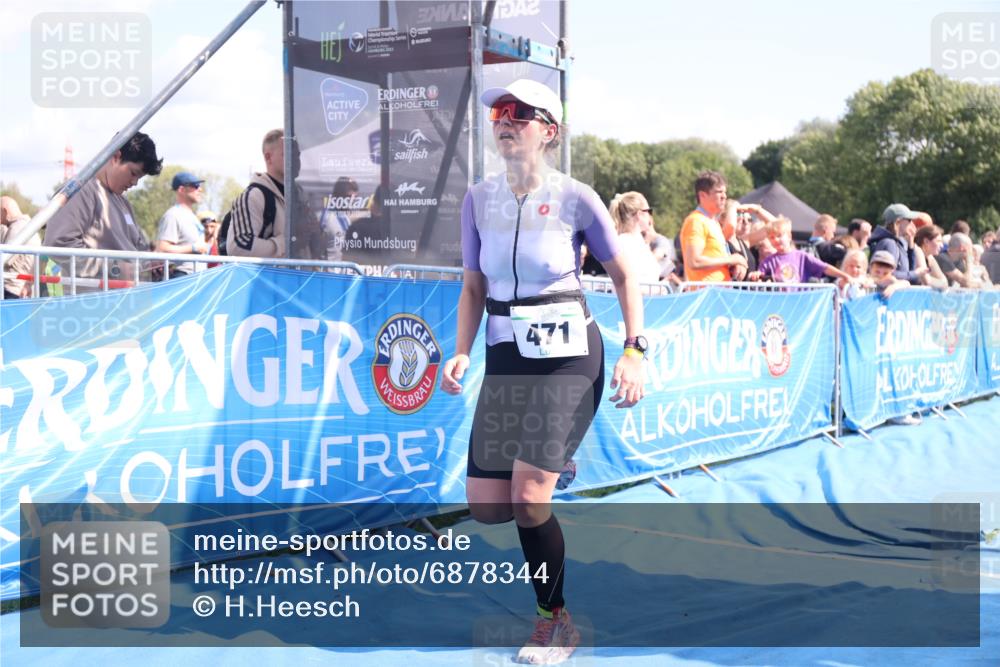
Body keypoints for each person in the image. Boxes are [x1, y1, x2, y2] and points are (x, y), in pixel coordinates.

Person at [440, 78, 645, 666]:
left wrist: (636, 349)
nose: (505, 121)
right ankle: (554, 459)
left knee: (529, 500)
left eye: (519, 113)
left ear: (548, 130)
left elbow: (625, 275)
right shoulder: (477, 200)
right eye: (498, 114)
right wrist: (462, 350)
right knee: (487, 505)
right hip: (507, 358)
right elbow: (473, 286)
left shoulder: (578, 197)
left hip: (568, 357)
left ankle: (555, 622)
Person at [45, 132, 163, 285]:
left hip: (128, 295)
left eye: (139, 178)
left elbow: (137, 248)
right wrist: (115, 268)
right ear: (116, 156)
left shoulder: (124, 203)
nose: (134, 183)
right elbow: (58, 244)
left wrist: (150, 263)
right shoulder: (79, 191)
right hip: (96, 298)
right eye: (133, 173)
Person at [225, 129, 286, 258]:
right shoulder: (254, 196)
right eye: (288, 154)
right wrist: (286, 243)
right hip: (269, 272)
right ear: (268, 157)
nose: (296, 159)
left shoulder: (301, 196)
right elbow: (238, 247)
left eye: (297, 154)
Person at [679, 171, 746, 282]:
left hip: (719, 289)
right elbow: (694, 261)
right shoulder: (695, 221)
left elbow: (716, 258)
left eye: (725, 192)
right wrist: (730, 259)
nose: (724, 196)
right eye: (719, 192)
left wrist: (733, 266)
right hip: (706, 291)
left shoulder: (713, 222)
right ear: (702, 195)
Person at [759, 217, 854, 285]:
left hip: (800, 301)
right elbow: (760, 275)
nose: (776, 240)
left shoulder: (802, 256)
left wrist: (844, 276)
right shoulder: (768, 261)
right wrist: (756, 275)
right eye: (772, 237)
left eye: (779, 236)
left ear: (789, 236)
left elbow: (824, 267)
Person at [155, 172, 211, 277]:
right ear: (181, 190)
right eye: (195, 186)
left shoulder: (192, 216)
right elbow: (162, 249)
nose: (200, 189)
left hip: (196, 276)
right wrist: (193, 248)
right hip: (182, 276)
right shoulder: (172, 215)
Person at [608, 192, 661, 284]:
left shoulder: (634, 241)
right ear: (640, 214)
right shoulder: (625, 243)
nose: (650, 216)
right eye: (649, 211)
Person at [868, 203, 926, 285]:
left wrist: (911, 246)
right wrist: (916, 273)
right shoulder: (889, 243)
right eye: (909, 220)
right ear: (898, 222)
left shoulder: (896, 242)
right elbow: (889, 273)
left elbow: (909, 271)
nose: (912, 224)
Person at [0, 196, 40, 298]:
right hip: (20, 287)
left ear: (5, 211)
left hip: (11, 287)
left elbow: (6, 258)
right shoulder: (28, 225)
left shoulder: (17, 227)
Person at [913, 225, 949, 289]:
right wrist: (941, 284)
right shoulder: (917, 251)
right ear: (926, 241)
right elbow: (927, 281)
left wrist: (942, 284)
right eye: (938, 241)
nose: (941, 246)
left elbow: (944, 281)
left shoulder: (929, 257)